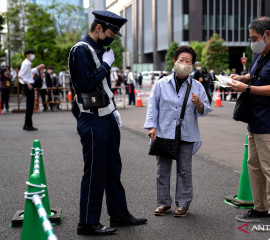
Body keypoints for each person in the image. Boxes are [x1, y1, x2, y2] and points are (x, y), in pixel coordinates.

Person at [68, 10, 147, 236]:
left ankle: (119, 213)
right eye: (111, 32)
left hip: (106, 115)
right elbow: (85, 84)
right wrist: (105, 66)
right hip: (93, 118)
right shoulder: (80, 50)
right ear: (99, 28)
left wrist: (113, 108)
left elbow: (101, 87)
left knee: (113, 167)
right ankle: (87, 222)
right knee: (95, 171)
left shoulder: (97, 50)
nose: (112, 37)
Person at [228, 16, 270, 230]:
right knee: (254, 166)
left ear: (267, 35)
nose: (252, 42)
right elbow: (253, 75)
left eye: (254, 38)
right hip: (255, 121)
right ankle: (260, 208)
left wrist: (246, 88)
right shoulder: (261, 55)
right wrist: (239, 78)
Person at [144, 46, 210, 218]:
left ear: (192, 65)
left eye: (188, 61)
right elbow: (153, 107)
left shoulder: (197, 86)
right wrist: (152, 126)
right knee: (162, 171)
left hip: (187, 133)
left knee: (184, 170)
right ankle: (163, 203)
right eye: (181, 60)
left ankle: (183, 204)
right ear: (175, 61)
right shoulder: (161, 84)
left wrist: (199, 104)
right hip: (164, 133)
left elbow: (206, 108)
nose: (184, 63)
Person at [18, 49, 45, 131]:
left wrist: (38, 67)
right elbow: (20, 75)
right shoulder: (26, 63)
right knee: (30, 107)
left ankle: (27, 125)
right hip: (29, 86)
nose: (33, 55)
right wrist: (28, 83)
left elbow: (29, 72)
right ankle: (28, 126)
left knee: (29, 106)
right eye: (31, 54)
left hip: (29, 85)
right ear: (27, 55)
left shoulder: (27, 63)